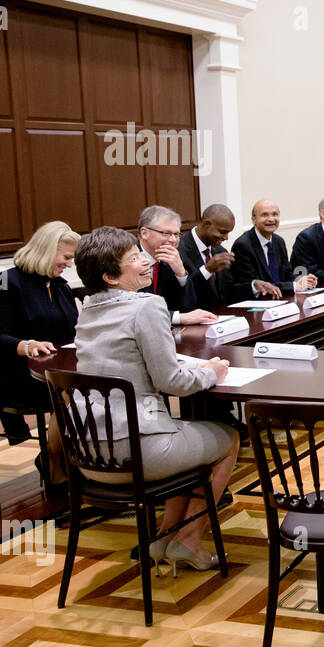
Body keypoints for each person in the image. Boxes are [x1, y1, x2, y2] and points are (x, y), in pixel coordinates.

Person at [72, 226, 239, 571]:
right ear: (110, 276)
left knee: (187, 439)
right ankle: (189, 540)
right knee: (229, 437)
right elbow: (172, 381)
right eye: (135, 258)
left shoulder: (88, 308)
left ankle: (164, 538)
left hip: (91, 455)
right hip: (136, 451)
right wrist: (212, 372)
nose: (147, 262)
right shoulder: (148, 305)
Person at [0, 221, 79, 479]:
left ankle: (72, 461)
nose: (70, 264)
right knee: (69, 389)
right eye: (67, 257)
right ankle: (58, 467)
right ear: (47, 250)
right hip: (17, 373)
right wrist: (27, 345)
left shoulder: (56, 283)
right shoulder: (5, 282)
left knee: (90, 382)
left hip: (54, 368)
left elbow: (70, 329)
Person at [137, 206, 216, 326]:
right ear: (145, 233)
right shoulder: (128, 259)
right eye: (166, 233)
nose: (173, 240)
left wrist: (181, 273)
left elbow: (189, 308)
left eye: (176, 234)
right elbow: (136, 310)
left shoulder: (172, 259)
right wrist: (177, 317)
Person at [228, 199, 316, 299]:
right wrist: (294, 286)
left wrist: (302, 281)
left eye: (275, 214)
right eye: (265, 215)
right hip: (258, 303)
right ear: (254, 220)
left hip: (281, 299)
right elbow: (258, 286)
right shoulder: (243, 245)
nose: (271, 219)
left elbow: (287, 275)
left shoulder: (278, 241)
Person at [179, 204, 237, 310]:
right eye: (223, 232)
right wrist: (207, 270)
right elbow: (181, 293)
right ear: (206, 224)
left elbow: (229, 291)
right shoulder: (180, 250)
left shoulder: (220, 251)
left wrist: (253, 286)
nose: (226, 238)